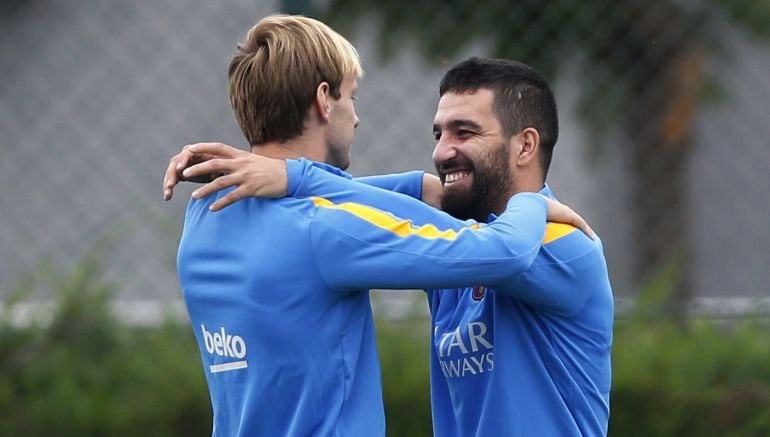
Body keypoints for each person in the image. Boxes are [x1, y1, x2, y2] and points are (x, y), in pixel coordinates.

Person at [166, 15, 593, 437]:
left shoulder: (205, 215)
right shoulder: (324, 229)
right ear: (323, 100)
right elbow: (505, 251)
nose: (356, 118)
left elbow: (346, 204)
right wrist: (530, 204)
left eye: (463, 132)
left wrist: (300, 177)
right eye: (352, 97)